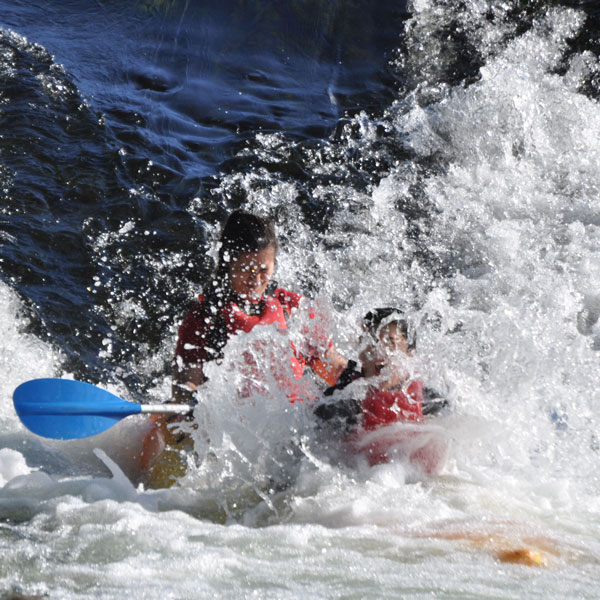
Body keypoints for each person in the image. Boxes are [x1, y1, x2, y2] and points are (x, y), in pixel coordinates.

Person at [140, 210, 348, 487]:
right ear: (227, 263)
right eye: (246, 269)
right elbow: (185, 384)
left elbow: (333, 368)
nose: (256, 279)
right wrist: (190, 401)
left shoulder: (292, 308)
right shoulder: (204, 318)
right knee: (175, 426)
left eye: (264, 270)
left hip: (293, 426)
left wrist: (367, 386)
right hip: (230, 435)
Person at [314, 308, 448, 471]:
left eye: (390, 342)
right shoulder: (340, 408)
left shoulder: (432, 403)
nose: (380, 352)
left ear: (410, 354)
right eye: (372, 343)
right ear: (361, 352)